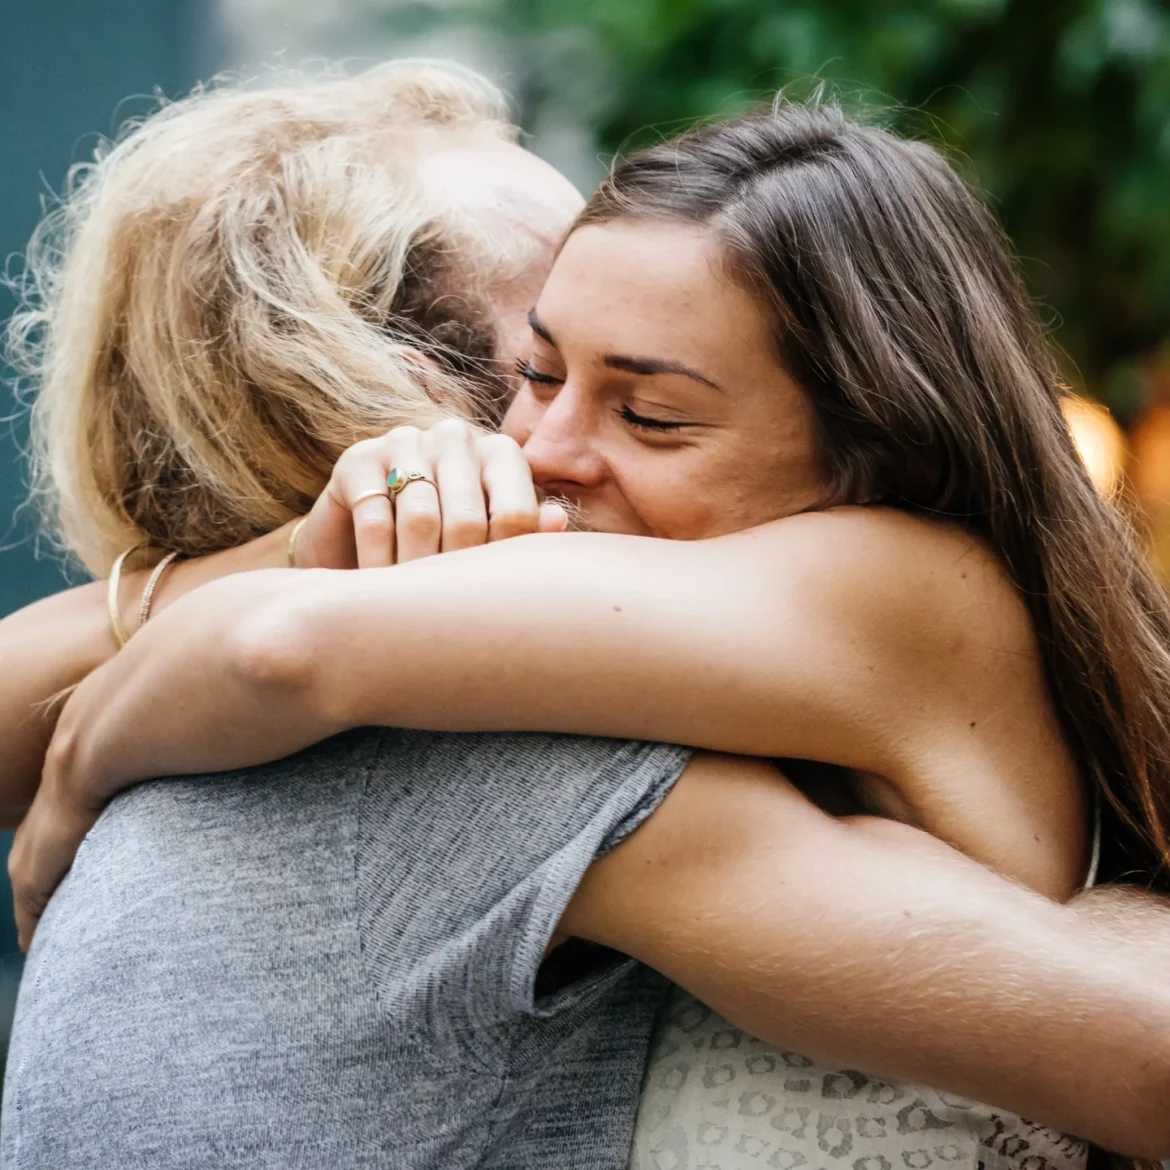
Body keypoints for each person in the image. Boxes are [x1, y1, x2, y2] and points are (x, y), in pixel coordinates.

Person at [3, 75, 1170, 1164]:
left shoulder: (876, 584)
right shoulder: (533, 738)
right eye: (537, 370)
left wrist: (78, 770)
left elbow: (278, 648)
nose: (540, 448)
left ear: (876, 432)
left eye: (652, 412)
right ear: (395, 397)